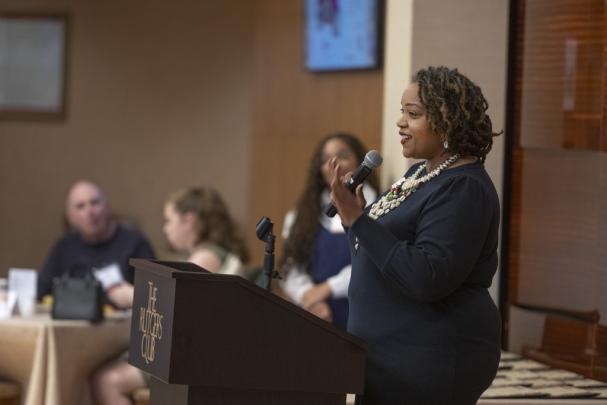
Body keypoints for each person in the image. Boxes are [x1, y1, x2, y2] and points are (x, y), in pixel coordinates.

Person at [328, 66, 502, 404]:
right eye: (402, 112)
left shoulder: (463, 187)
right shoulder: (422, 173)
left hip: (428, 361)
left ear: (447, 120)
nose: (400, 122)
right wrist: (354, 223)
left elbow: (427, 277)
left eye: (413, 114)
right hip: (386, 359)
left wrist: (359, 220)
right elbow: (378, 256)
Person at [91, 186, 249, 405]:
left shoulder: (205, 257)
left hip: (196, 359)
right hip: (199, 352)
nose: (165, 229)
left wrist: (132, 295)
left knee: (106, 380)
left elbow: (177, 304)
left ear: (189, 221)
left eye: (169, 220)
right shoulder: (212, 253)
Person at [280, 132, 378, 329]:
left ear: (360, 162)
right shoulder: (302, 214)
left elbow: (373, 262)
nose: (334, 165)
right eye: (325, 160)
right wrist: (310, 298)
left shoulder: (379, 207)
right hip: (315, 316)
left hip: (363, 316)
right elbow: (291, 266)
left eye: (342, 155)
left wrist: (328, 288)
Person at [37, 180, 155, 307]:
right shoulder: (64, 246)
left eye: (95, 203)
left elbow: (155, 295)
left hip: (122, 322)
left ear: (108, 207)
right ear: (70, 217)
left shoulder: (135, 243)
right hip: (75, 320)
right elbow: (41, 291)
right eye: (80, 206)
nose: (90, 212)